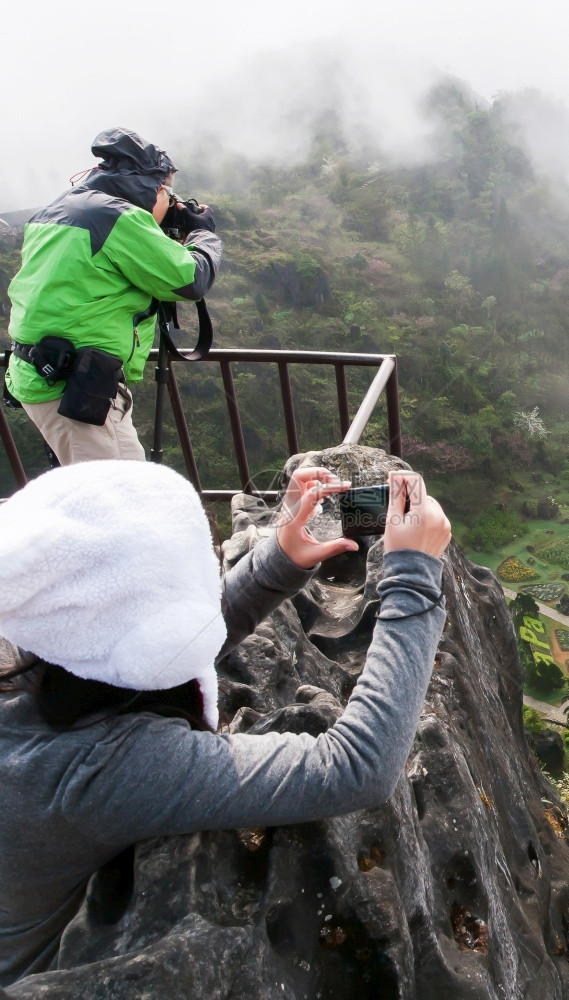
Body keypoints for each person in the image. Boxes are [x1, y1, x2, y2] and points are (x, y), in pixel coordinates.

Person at [0, 459, 451, 986]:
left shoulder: (44, 648)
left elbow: (141, 644)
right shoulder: (97, 770)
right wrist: (414, 580)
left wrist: (279, 560)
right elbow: (358, 766)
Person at [4, 127, 222, 464]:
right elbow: (191, 279)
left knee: (90, 493)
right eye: (168, 191)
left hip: (41, 374)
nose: (171, 201)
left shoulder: (57, 209)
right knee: (122, 502)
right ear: (150, 185)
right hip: (74, 389)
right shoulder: (118, 217)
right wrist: (202, 233)